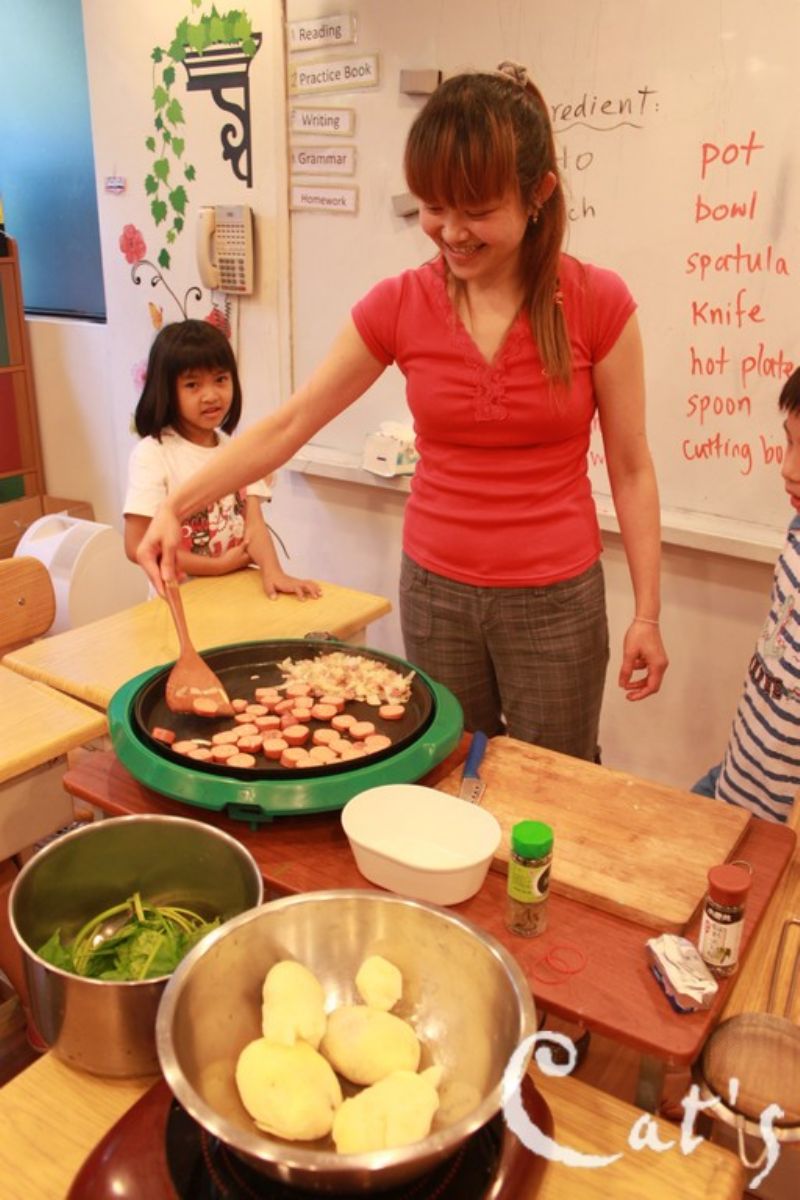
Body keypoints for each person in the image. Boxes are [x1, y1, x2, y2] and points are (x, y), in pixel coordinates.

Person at [136, 64, 668, 760]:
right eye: (434, 206)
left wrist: (648, 612)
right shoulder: (401, 303)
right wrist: (176, 506)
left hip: (556, 599)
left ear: (539, 193)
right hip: (435, 590)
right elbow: (292, 422)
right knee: (445, 773)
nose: (452, 231)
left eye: (476, 210)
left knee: (555, 781)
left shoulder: (599, 301)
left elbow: (631, 468)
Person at [124, 319, 321, 601]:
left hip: (235, 595)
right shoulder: (153, 453)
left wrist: (273, 572)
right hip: (180, 604)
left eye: (220, 379)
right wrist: (216, 567)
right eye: (192, 385)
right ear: (166, 390)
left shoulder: (237, 450)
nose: (211, 396)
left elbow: (254, 525)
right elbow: (136, 545)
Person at [692, 368, 800, 823]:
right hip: (733, 787)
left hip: (779, 834)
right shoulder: (797, 532)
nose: (788, 468)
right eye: (790, 442)